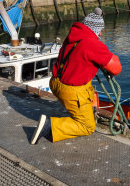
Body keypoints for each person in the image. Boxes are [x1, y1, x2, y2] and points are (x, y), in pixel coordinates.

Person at [31, 8, 122, 144]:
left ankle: (75, 113)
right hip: (71, 91)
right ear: (95, 29)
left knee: (86, 91)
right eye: (100, 30)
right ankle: (50, 125)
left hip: (56, 82)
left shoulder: (73, 36)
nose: (101, 33)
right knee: (87, 126)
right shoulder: (92, 43)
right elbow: (116, 68)